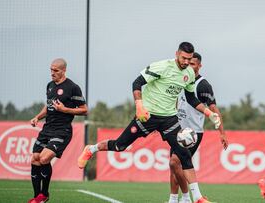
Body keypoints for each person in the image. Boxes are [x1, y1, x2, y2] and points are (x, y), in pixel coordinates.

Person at [78, 42, 220, 203]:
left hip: (169, 119)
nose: (186, 62)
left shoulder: (188, 73)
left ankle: (198, 198)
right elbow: (137, 83)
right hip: (148, 116)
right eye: (184, 58)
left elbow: (190, 98)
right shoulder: (161, 67)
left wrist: (209, 113)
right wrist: (139, 105)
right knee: (120, 145)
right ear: (177, 54)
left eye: (189, 59)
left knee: (184, 155)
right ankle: (91, 149)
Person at [167, 52, 228, 203]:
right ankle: (174, 199)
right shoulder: (182, 79)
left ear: (199, 66)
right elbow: (176, 101)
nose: (189, 65)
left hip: (192, 134)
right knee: (174, 166)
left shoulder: (203, 85)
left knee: (175, 161)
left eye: (193, 64)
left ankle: (187, 198)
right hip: (176, 129)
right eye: (188, 63)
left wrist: (222, 133)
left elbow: (214, 109)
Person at [28, 58, 88, 203]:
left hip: (62, 130)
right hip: (47, 129)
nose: (52, 73)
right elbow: (48, 107)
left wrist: (64, 109)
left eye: (56, 70)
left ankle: (45, 194)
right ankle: (37, 198)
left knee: (44, 158)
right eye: (51, 70)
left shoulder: (73, 87)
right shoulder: (50, 86)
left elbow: (85, 110)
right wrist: (37, 117)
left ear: (64, 70)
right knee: (35, 160)